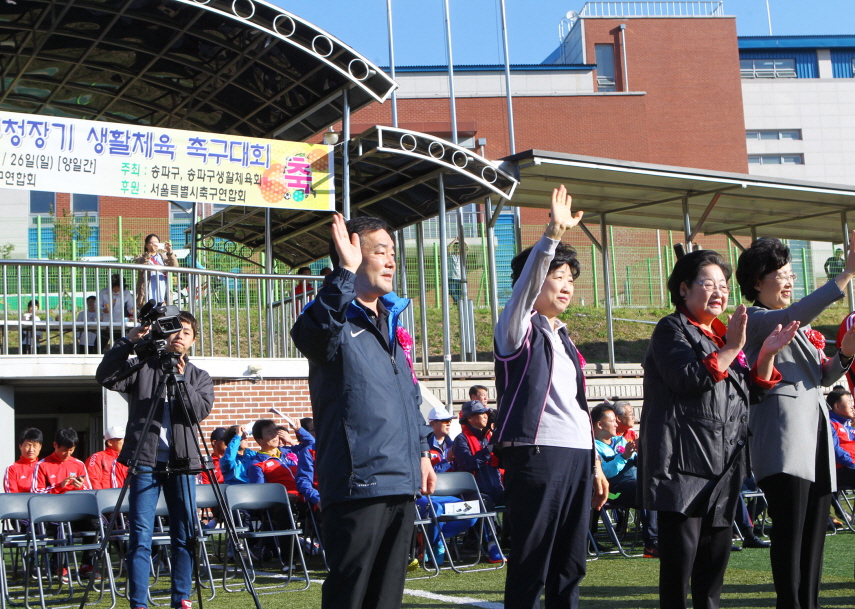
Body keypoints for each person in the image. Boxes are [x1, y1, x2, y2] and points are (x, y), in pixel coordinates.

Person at [290, 213, 435, 609]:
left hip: (402, 481)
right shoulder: (331, 318)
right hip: (359, 484)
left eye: (393, 253)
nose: (390, 261)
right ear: (350, 256)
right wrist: (344, 275)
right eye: (379, 252)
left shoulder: (390, 322)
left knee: (387, 598)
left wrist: (422, 453)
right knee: (350, 595)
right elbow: (311, 338)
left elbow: (409, 397)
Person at [640, 247, 796, 609]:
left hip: (724, 470)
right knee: (680, 573)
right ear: (683, 289)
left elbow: (750, 394)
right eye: (707, 283)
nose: (719, 292)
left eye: (723, 285)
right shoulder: (671, 328)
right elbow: (687, 379)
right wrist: (733, 347)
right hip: (682, 469)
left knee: (713, 572)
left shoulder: (723, 336)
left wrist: (767, 354)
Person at [492, 186, 608, 609]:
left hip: (577, 455)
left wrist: (594, 463)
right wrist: (552, 237)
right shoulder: (516, 328)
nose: (566, 286)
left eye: (570, 279)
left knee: (570, 564)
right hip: (538, 455)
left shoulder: (566, 340)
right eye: (557, 277)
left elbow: (578, 409)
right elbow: (525, 290)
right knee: (532, 562)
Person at [737, 236, 855, 609]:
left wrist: (845, 353)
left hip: (814, 436)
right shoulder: (755, 319)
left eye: (791, 275)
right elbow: (793, 316)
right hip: (784, 439)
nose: (789, 282)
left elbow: (821, 378)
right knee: (791, 531)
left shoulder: (795, 324)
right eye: (780, 275)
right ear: (757, 282)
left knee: (815, 533)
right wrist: (846, 275)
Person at [96, 310, 213, 609]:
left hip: (184, 464)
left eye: (186, 332)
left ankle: (181, 599)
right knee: (140, 536)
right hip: (145, 462)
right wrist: (130, 340)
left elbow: (197, 412)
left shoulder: (199, 377)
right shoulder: (143, 367)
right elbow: (106, 376)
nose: (179, 336)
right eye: (174, 331)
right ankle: (138, 603)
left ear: (193, 340)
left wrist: (180, 380)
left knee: (185, 533)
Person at [591, 403, 658, 557]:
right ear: (600, 424)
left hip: (633, 485)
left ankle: (663, 537)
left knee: (657, 486)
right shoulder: (594, 447)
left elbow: (640, 464)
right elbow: (605, 473)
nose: (617, 423)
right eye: (613, 420)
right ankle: (652, 542)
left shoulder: (620, 441)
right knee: (646, 489)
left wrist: (642, 451)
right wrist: (623, 457)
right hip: (613, 492)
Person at [246, 418, 314, 491]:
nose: (274, 436)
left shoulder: (290, 450)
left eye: (275, 432)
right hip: (285, 501)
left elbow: (312, 445)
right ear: (259, 439)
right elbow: (261, 492)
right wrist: (283, 496)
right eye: (269, 433)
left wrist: (299, 430)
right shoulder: (257, 464)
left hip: (308, 498)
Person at [32, 427, 92, 494]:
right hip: (52, 503)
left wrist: (80, 487)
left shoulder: (79, 464)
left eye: (71, 450)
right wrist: (59, 487)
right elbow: (36, 493)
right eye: (64, 450)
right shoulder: (42, 465)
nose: (68, 453)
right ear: (55, 445)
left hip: (75, 502)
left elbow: (89, 491)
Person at [134, 233, 178, 310]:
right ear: (146, 245)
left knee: (162, 310)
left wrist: (170, 252)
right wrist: (149, 254)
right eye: (151, 243)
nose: (154, 244)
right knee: (148, 309)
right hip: (148, 288)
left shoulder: (164, 256)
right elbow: (141, 267)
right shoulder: (141, 257)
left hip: (162, 286)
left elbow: (175, 266)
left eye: (156, 242)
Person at [827, 388, 855, 488]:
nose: (852, 406)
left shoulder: (850, 428)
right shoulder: (830, 424)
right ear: (837, 406)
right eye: (848, 402)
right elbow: (834, 450)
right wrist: (852, 462)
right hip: (841, 469)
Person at [99, 274, 134, 351]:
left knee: (122, 345)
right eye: (113, 287)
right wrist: (102, 309)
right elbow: (97, 305)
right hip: (106, 323)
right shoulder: (103, 292)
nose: (115, 289)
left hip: (119, 323)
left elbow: (130, 307)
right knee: (99, 343)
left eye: (117, 287)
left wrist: (134, 312)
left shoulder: (126, 293)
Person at [4, 427, 42, 493]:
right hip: (19, 502)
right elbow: (11, 495)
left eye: (35, 446)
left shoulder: (44, 467)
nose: (31, 449)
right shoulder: (12, 468)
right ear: (20, 446)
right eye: (28, 445)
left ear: (40, 447)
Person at [426, 405, 455, 474]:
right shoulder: (424, 447)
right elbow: (427, 473)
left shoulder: (454, 445)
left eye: (450, 421)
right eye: (445, 421)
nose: (448, 424)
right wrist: (448, 460)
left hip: (453, 483)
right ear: (432, 424)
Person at [447, 237, 465, 305]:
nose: (457, 248)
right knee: (452, 291)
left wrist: (462, 240)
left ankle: (457, 305)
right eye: (456, 247)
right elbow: (448, 248)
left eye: (458, 247)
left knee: (459, 293)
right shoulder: (451, 255)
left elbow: (468, 248)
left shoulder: (462, 256)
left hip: (460, 278)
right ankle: (459, 303)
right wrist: (454, 241)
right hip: (451, 277)